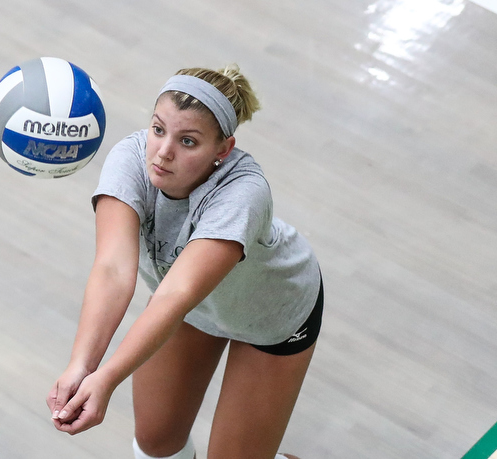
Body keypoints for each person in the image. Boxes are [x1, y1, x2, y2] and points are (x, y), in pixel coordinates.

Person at [47, 64, 323, 459]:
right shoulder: (130, 159)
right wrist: (81, 366)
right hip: (193, 310)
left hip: (273, 314)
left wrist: (106, 379)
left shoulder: (243, 192)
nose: (163, 152)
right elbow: (113, 270)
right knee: (155, 443)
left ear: (222, 150)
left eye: (188, 141)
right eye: (158, 129)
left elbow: (177, 292)